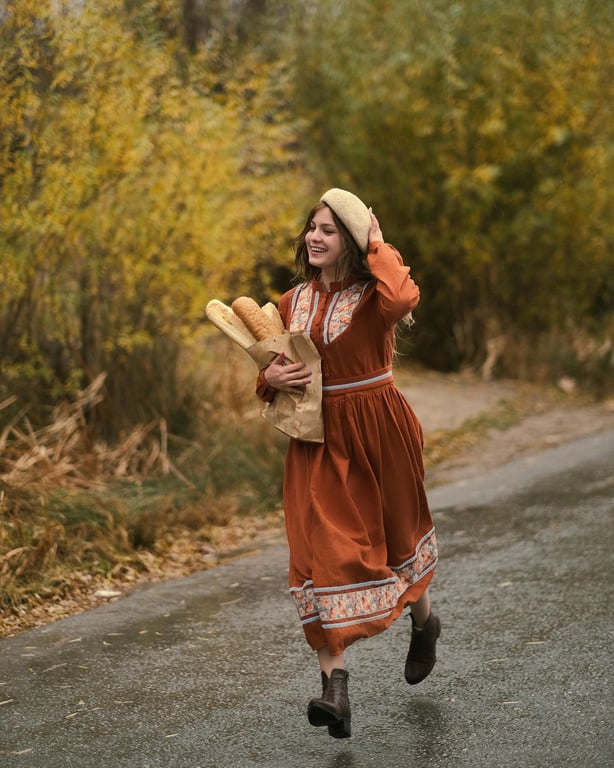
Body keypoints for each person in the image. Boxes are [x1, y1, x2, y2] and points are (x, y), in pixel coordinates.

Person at [255, 188, 440, 739]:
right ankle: (334, 688)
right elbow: (272, 371)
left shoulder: (373, 296)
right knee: (321, 554)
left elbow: (405, 298)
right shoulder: (290, 304)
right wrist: (268, 380)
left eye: (330, 230)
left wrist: (378, 244)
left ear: (352, 241)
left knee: (398, 536)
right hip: (317, 441)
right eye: (312, 228)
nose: (315, 237)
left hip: (379, 429)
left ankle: (425, 622)